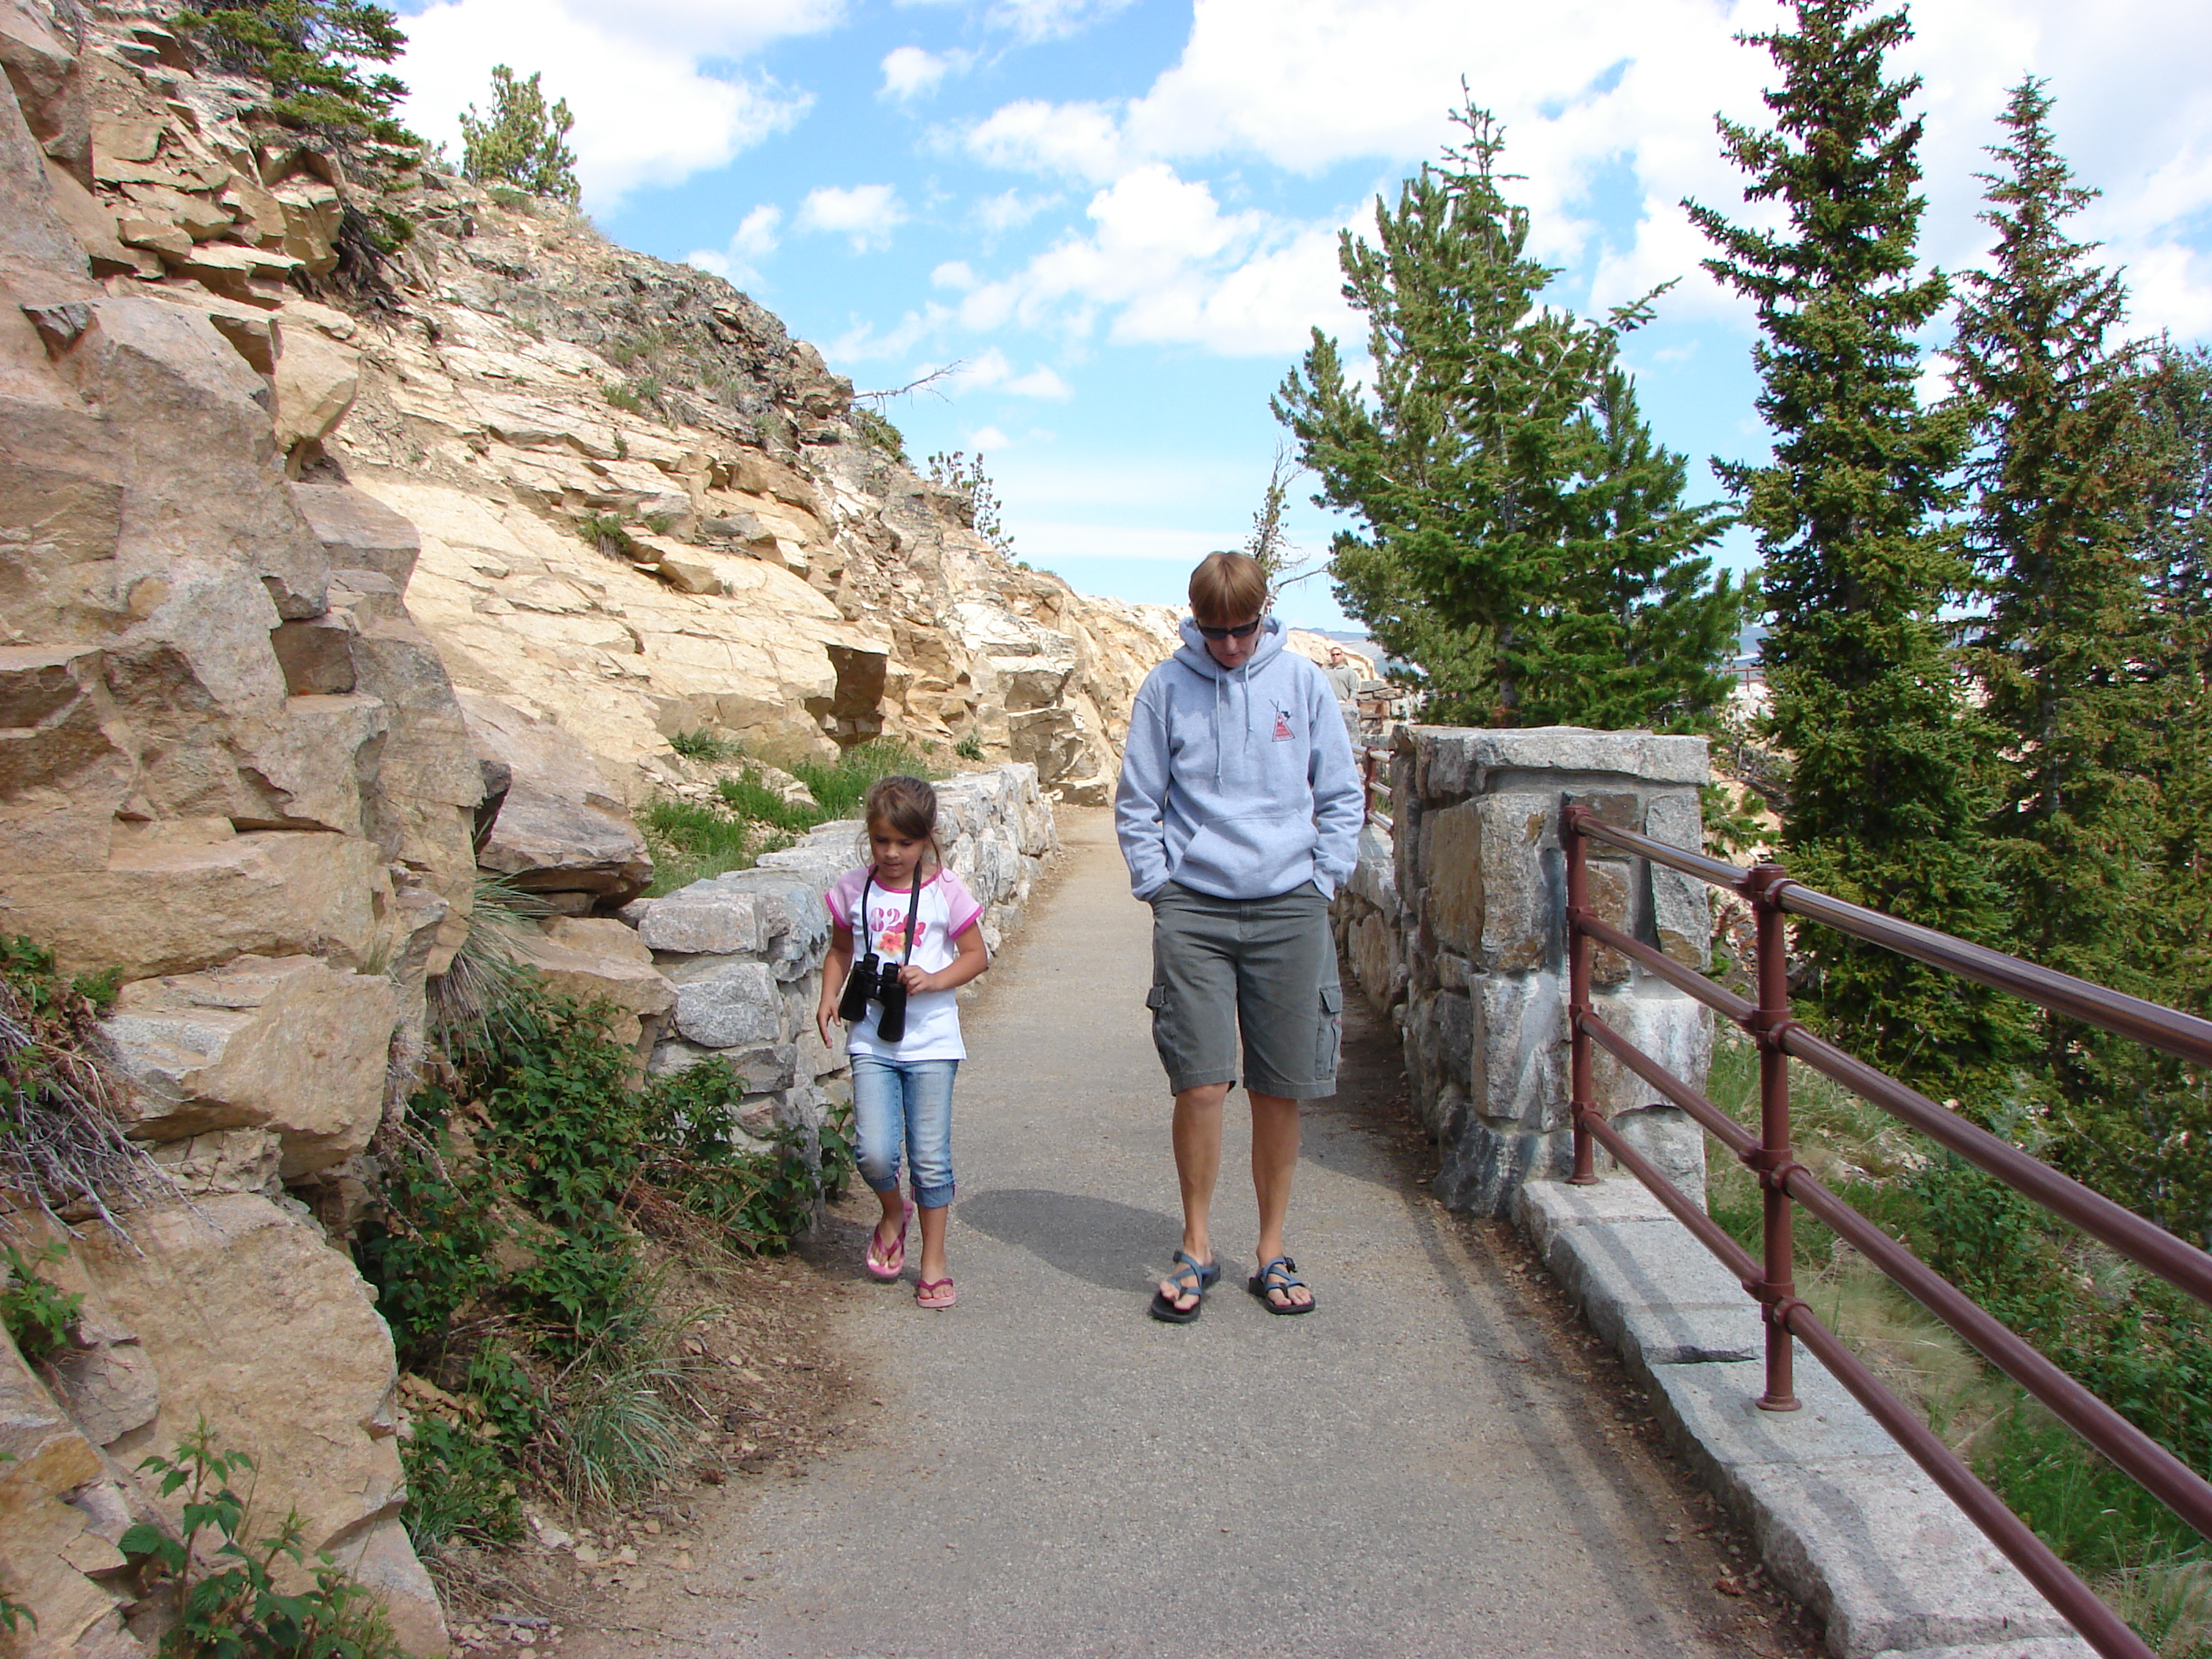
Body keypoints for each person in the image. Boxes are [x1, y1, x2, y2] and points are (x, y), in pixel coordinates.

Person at [1114, 551, 1364, 1322]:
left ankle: (1270, 1248)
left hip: (1289, 903)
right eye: (1215, 633)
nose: (1229, 647)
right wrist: (1160, 887)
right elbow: (1136, 801)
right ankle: (1195, 1246)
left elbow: (1343, 794)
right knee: (1198, 1080)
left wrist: (1323, 877)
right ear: (1196, 622)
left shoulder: (1301, 683)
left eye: (1243, 631)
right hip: (1195, 906)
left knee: (1279, 1085)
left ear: (1263, 616)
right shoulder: (1165, 688)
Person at [818, 776, 990, 1309]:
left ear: (927, 839)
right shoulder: (853, 888)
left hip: (932, 1041)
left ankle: (934, 1261)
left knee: (930, 1158)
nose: (891, 854)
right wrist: (829, 994)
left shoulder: (945, 891)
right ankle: (894, 1211)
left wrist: (932, 980)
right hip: (872, 1038)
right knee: (872, 1152)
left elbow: (976, 955)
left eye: (905, 843)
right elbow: (840, 950)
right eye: (881, 841)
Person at [1321, 644, 1363, 752]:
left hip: (1345, 706)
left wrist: (1351, 699)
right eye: (1333, 655)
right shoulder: (1325, 671)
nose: (1335, 657)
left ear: (1342, 656)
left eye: (1338, 654)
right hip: (1329, 705)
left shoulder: (1348, 671)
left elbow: (1354, 687)